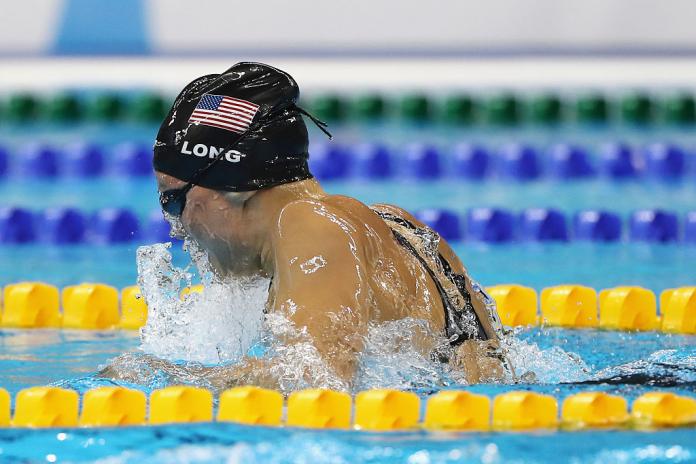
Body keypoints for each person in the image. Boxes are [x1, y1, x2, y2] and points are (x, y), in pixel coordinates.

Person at [115, 62, 508, 389]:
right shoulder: (393, 223)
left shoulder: (312, 225)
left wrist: (160, 378)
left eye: (174, 200)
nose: (175, 228)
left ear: (235, 189)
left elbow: (315, 381)